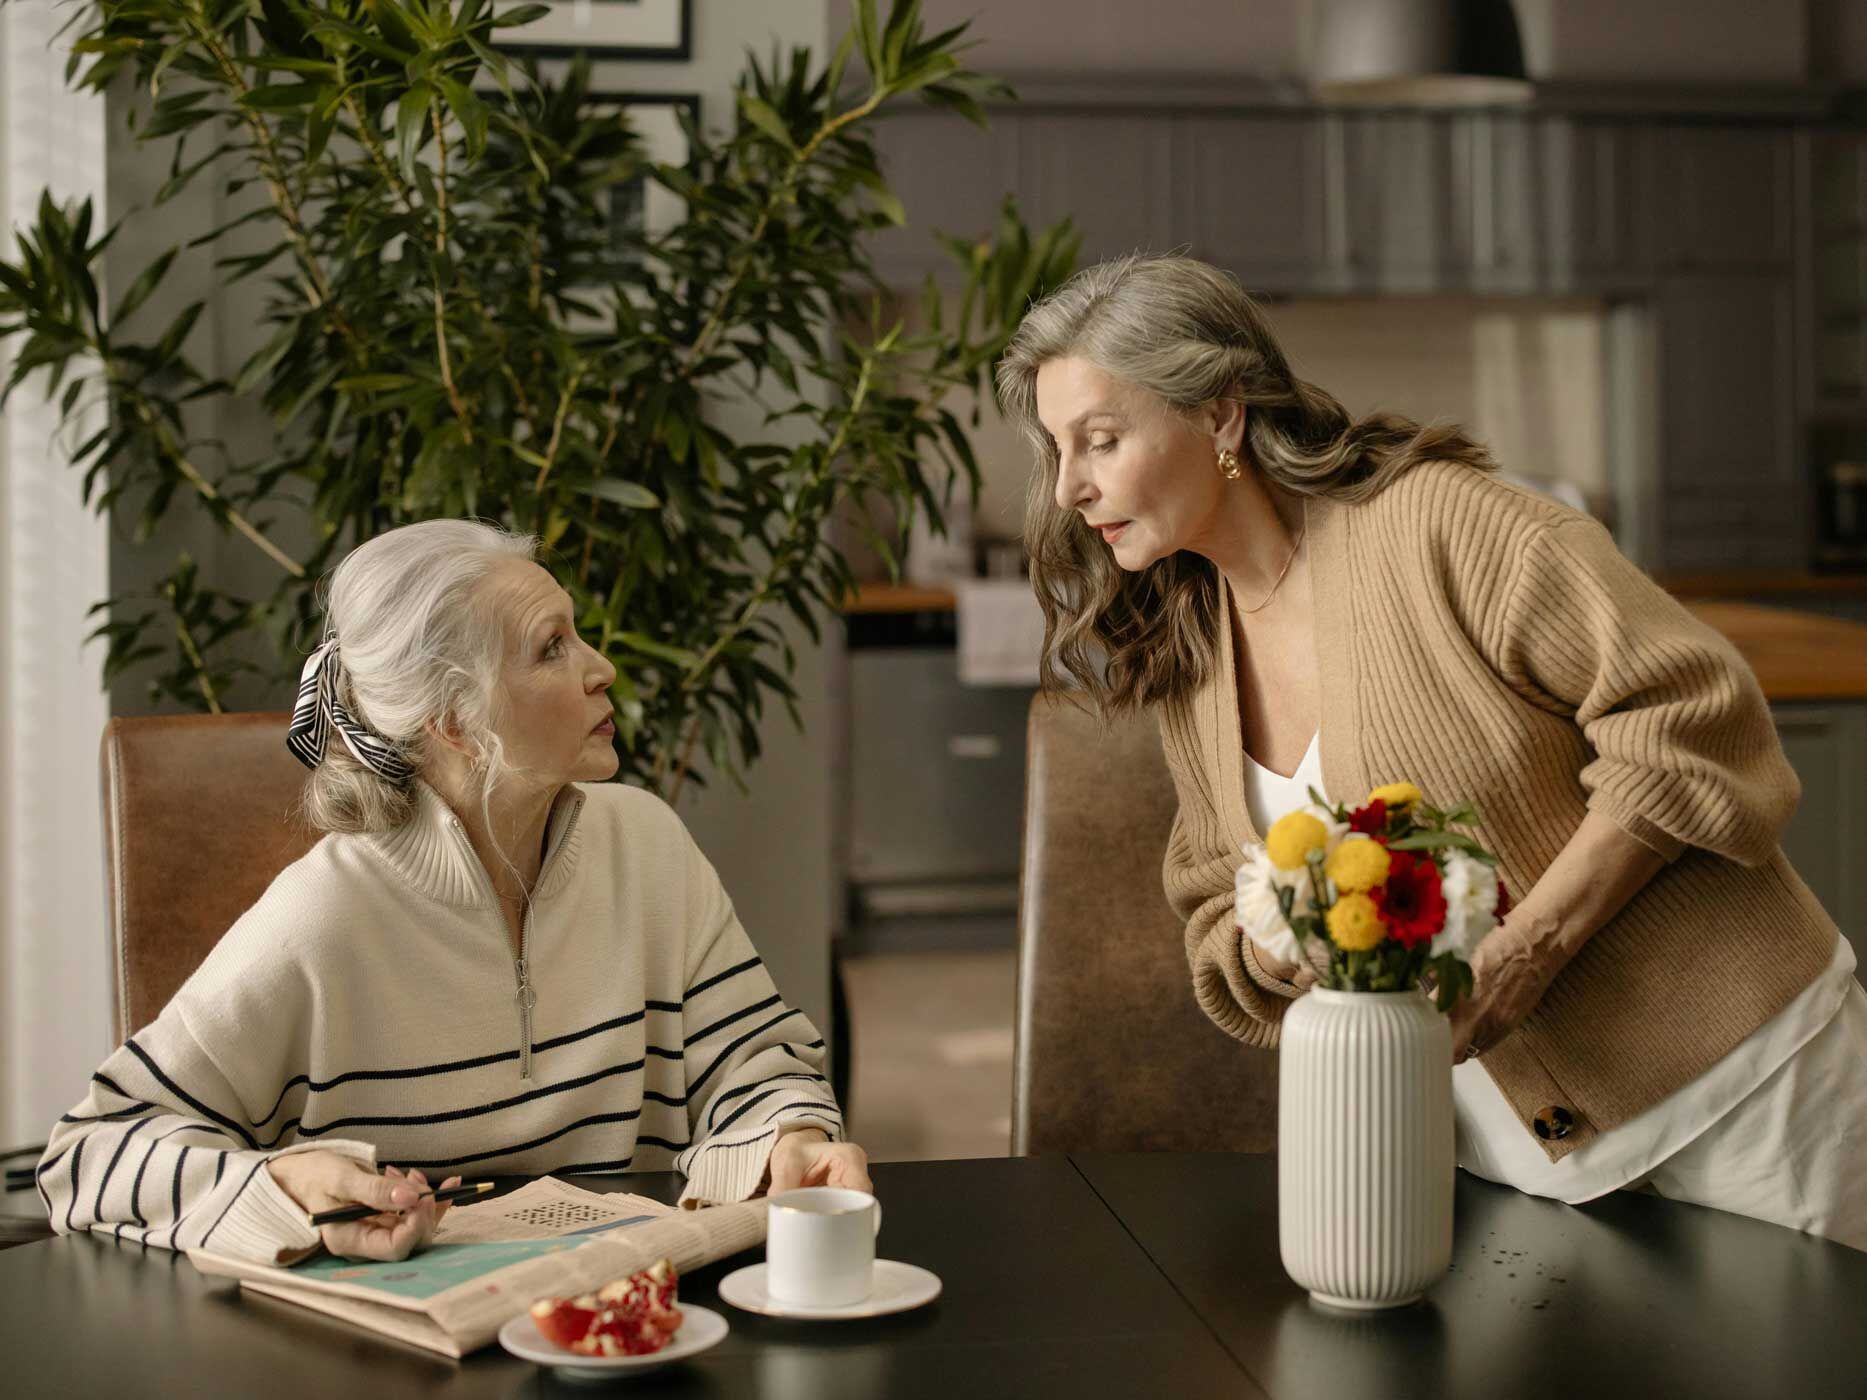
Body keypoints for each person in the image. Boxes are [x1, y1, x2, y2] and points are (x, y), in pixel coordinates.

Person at [995, 253, 1867, 1250]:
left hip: (1748, 1092)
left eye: (1100, 439)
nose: (1068, 487)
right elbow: (1211, 906)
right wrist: (1275, 948)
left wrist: (1526, 952)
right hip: (1510, 1167)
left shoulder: (1438, 527)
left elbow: (1687, 711)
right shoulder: (1190, 655)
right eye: (1057, 451)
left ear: (1221, 415)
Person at [37, 519, 868, 1265]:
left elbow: (752, 1064)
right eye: (552, 648)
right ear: (455, 721)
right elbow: (91, 1155)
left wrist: (786, 1135)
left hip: (632, 1338)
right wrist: (283, 1183)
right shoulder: (323, 916)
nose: (601, 666)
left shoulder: (647, 846)